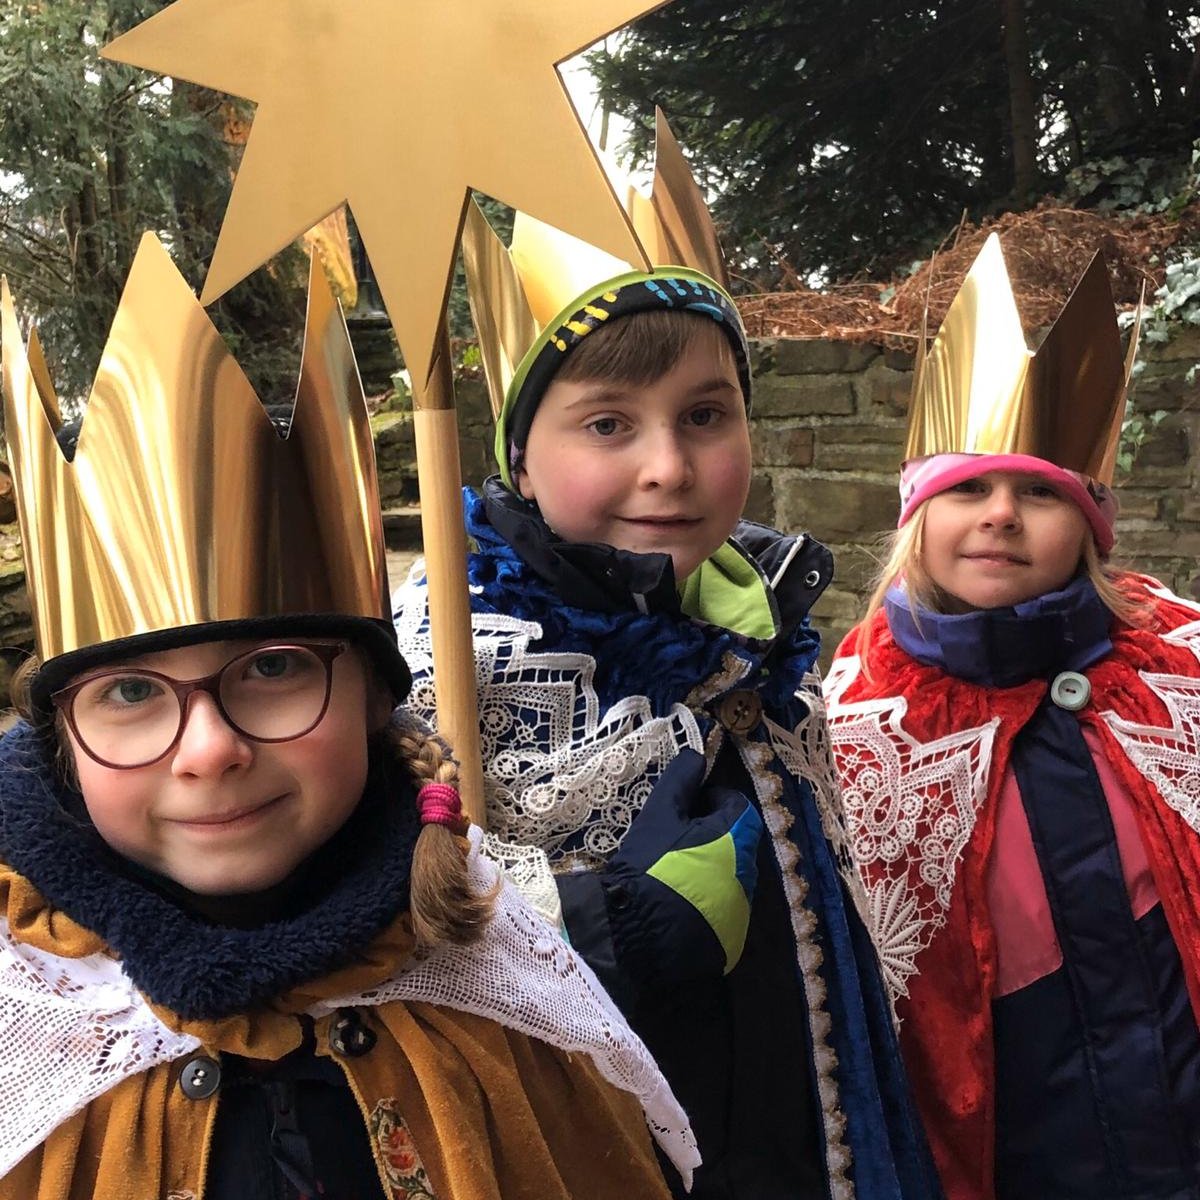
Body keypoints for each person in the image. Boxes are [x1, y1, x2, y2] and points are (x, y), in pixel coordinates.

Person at [0, 233, 697, 1200]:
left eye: (275, 668)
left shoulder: (500, 983)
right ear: (59, 744)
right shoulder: (25, 1023)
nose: (209, 751)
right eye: (127, 692)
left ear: (376, 698)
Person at [393, 113, 938, 1199]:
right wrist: (625, 921)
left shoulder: (760, 639)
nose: (668, 468)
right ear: (522, 458)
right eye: (606, 425)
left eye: (704, 414)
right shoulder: (446, 668)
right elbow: (425, 963)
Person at [824, 234, 1200, 1200]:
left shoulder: (1181, 662)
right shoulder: (858, 718)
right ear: (918, 516)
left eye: (1041, 492)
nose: (1001, 514)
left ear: (1091, 524)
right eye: (969, 490)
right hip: (1022, 1143)